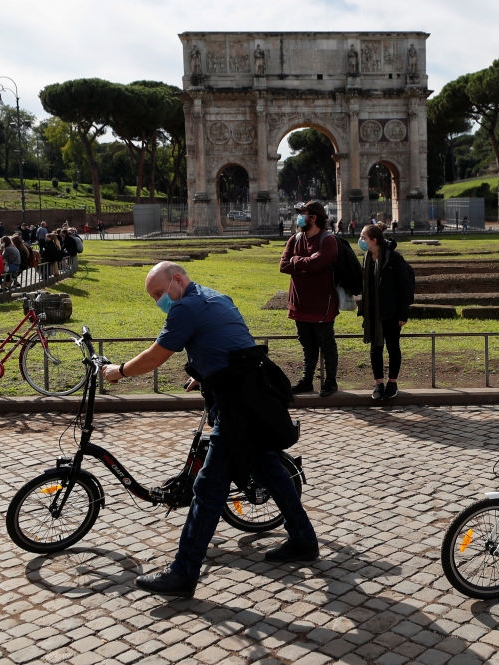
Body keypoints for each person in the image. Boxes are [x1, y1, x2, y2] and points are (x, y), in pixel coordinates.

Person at [102, 262, 319, 597]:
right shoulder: (216, 297)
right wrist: (203, 371)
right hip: (252, 395)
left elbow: (154, 357)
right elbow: (231, 344)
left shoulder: (185, 308)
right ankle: (304, 539)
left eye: (160, 294)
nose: (159, 301)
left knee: (208, 488)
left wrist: (118, 371)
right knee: (271, 470)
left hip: (237, 406)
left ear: (177, 280)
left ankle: (184, 572)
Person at [279, 201, 340, 398]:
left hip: (322, 303)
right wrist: (306, 265)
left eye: (302, 213)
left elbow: (318, 262)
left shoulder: (328, 240)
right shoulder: (295, 239)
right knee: (307, 344)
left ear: (313, 218)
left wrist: (297, 262)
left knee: (326, 343)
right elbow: (283, 266)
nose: (298, 217)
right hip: (299, 302)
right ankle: (307, 380)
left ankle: (330, 381)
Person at [359, 223, 413, 400]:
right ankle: (379, 383)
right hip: (373, 313)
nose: (360, 241)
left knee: (392, 347)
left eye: (363, 238)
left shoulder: (394, 258)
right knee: (376, 348)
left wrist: (403, 314)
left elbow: (405, 287)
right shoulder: (366, 259)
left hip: (392, 311)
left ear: (374, 240)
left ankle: (392, 382)